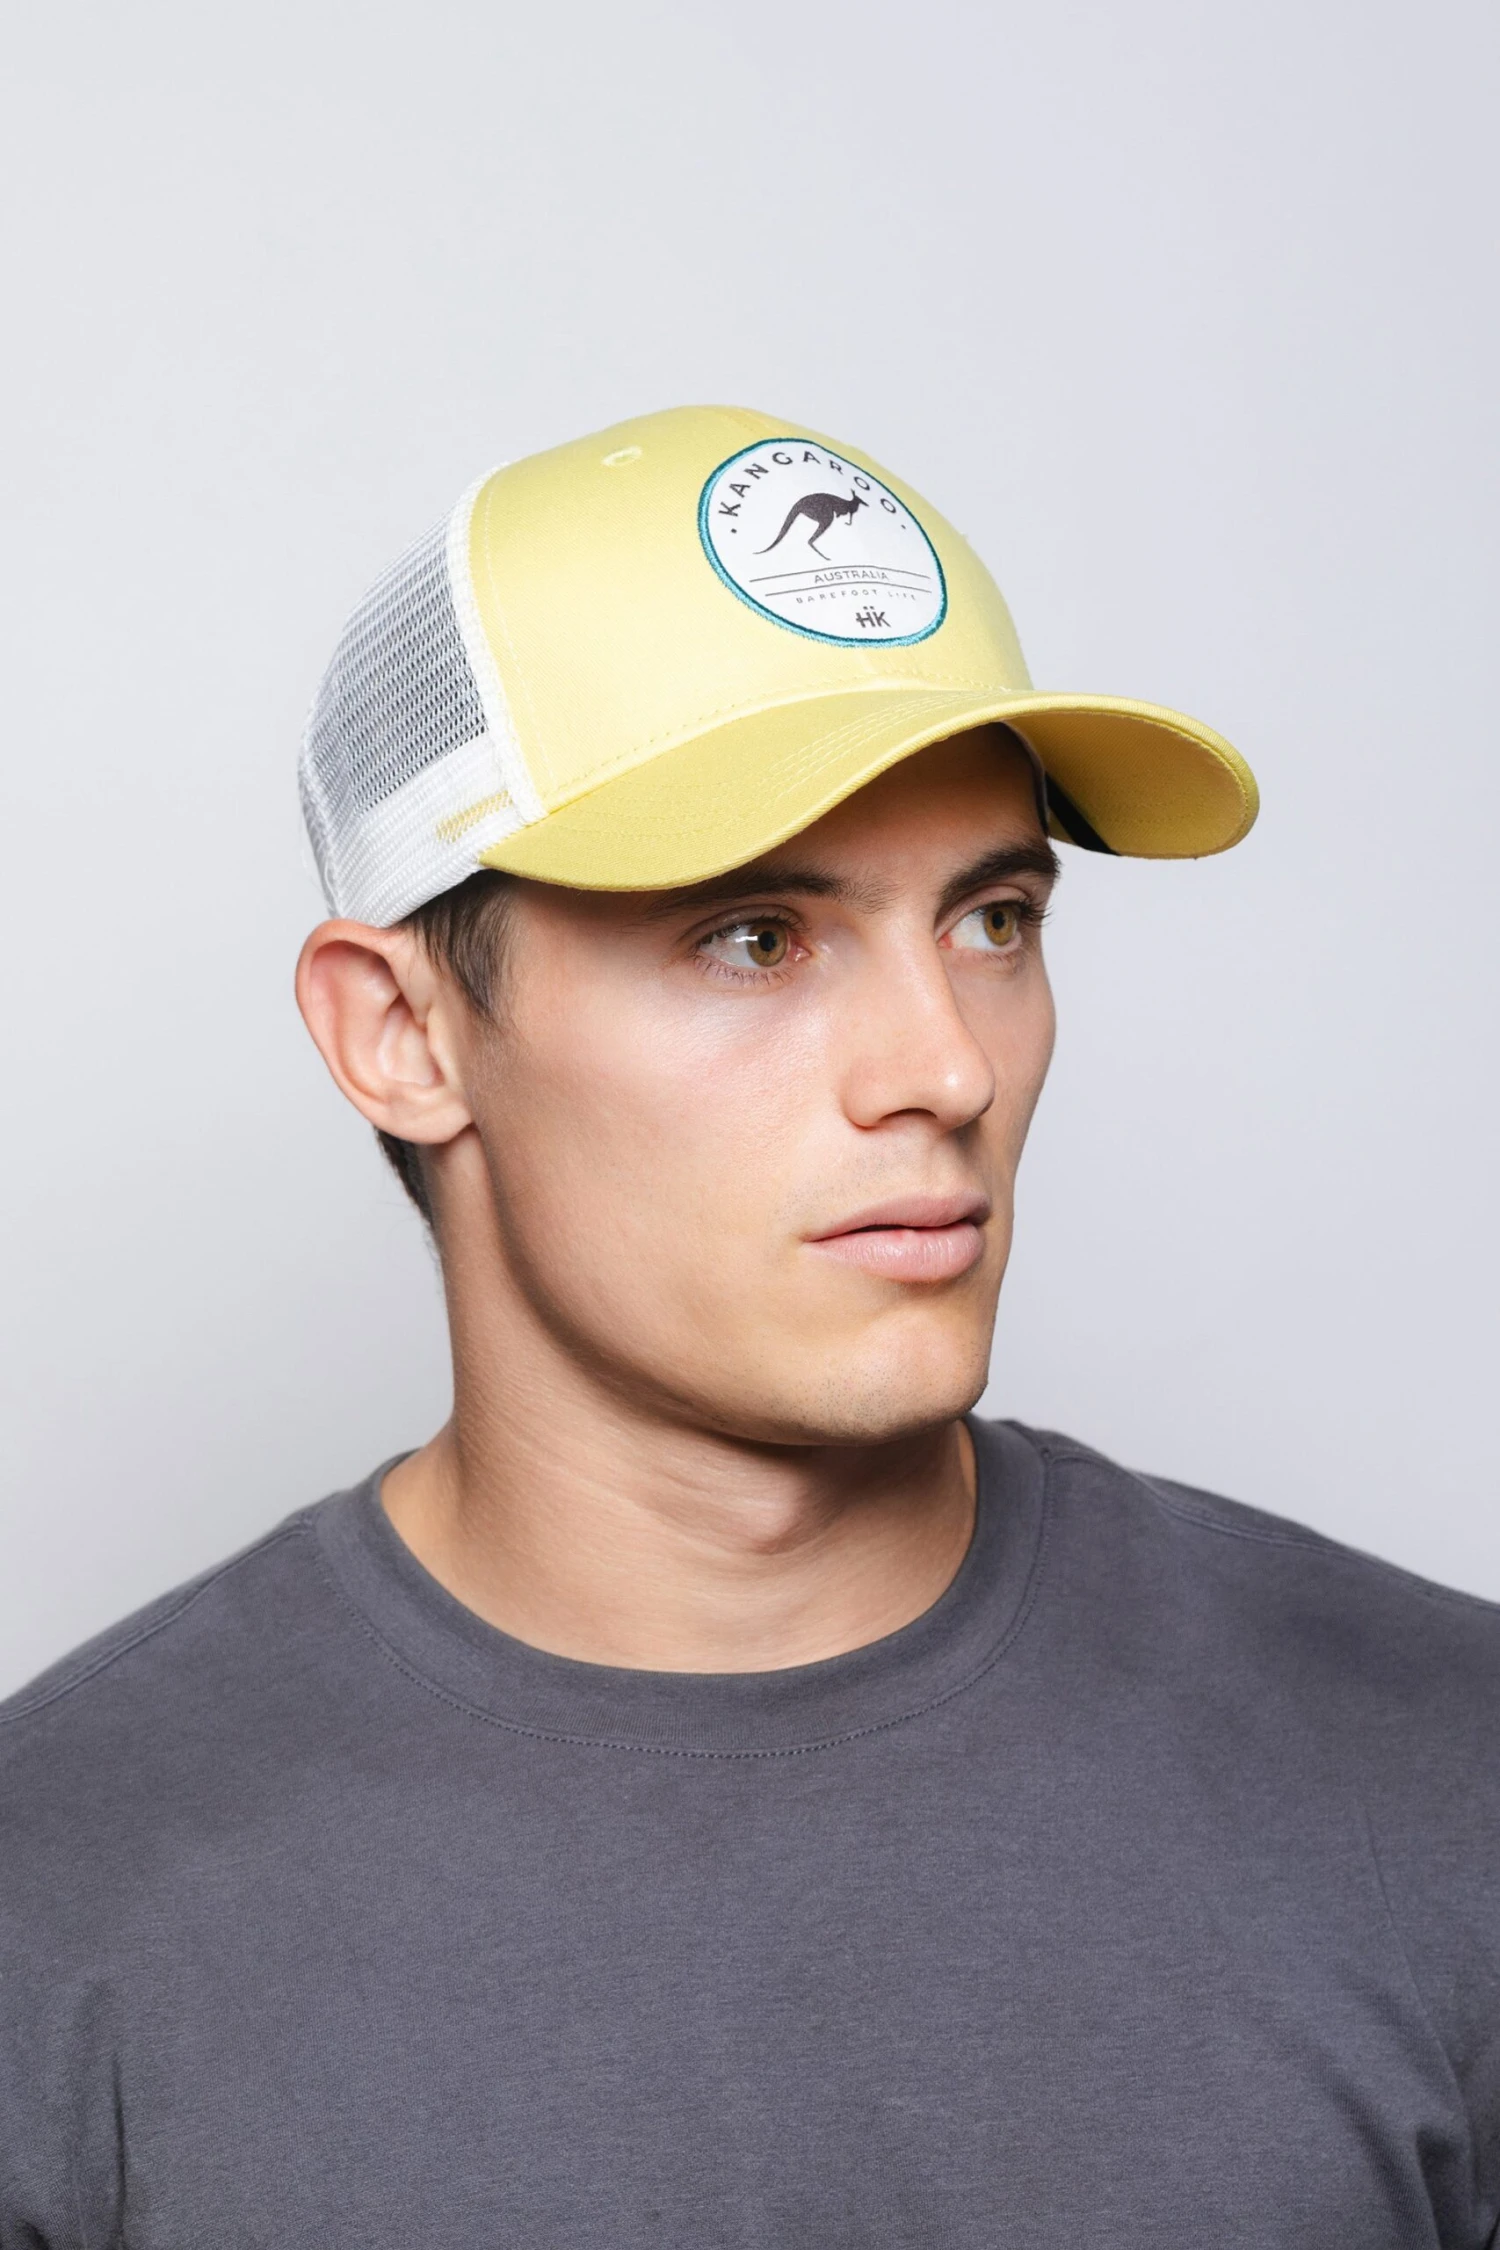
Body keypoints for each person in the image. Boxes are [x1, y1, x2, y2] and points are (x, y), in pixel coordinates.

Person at [1, 405, 1495, 2250]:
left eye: (993, 918)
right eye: (757, 938)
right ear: (403, 1033)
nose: (946, 1067)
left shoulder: (1446, 1776)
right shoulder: (55, 1909)